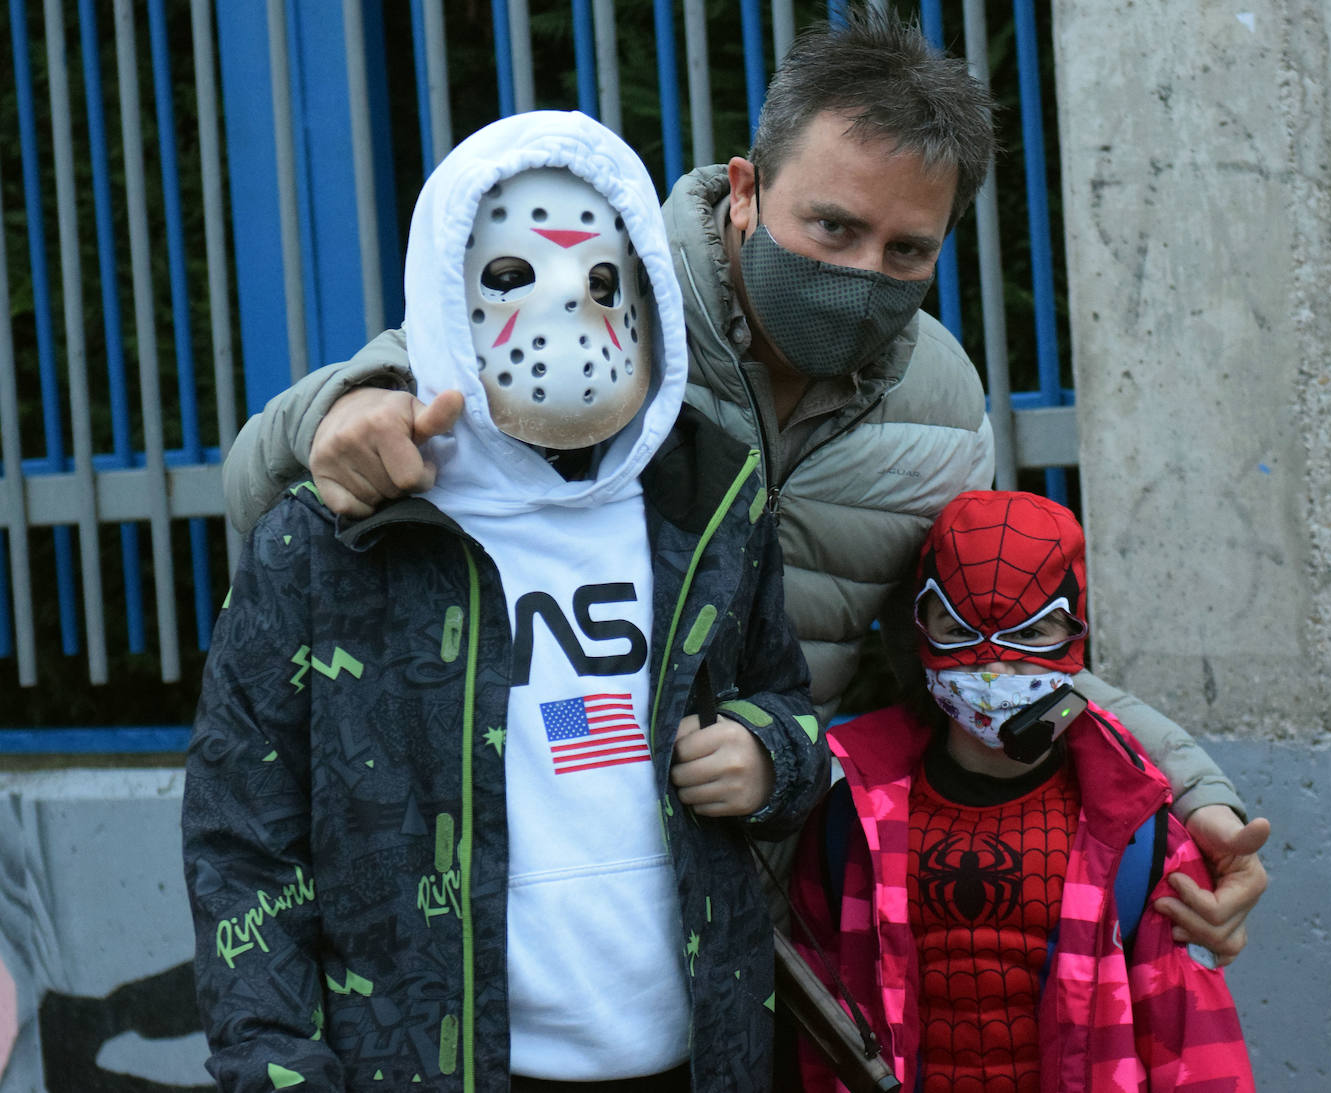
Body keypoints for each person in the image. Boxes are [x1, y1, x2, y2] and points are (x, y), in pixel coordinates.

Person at [218, 8, 1267, 960]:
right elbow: (282, 472)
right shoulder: (602, 297)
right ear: (749, 187)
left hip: (765, 923)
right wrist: (354, 404)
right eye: (833, 228)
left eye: (909, 247)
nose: (863, 270)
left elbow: (970, 649)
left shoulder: (940, 407)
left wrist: (1187, 797)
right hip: (513, 921)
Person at [182, 109, 829, 1091]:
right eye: (512, 279)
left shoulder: (709, 502)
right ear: (450, 288)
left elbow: (789, 703)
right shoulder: (331, 544)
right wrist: (277, 1066)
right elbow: (242, 840)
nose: (567, 311)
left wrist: (772, 754)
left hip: (698, 1058)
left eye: (601, 282)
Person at [789, 490, 1256, 1092]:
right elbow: (817, 1034)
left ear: (1075, 636)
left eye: (1031, 633)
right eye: (957, 629)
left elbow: (1193, 1050)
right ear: (918, 631)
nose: (993, 670)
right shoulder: (847, 815)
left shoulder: (1140, 829)